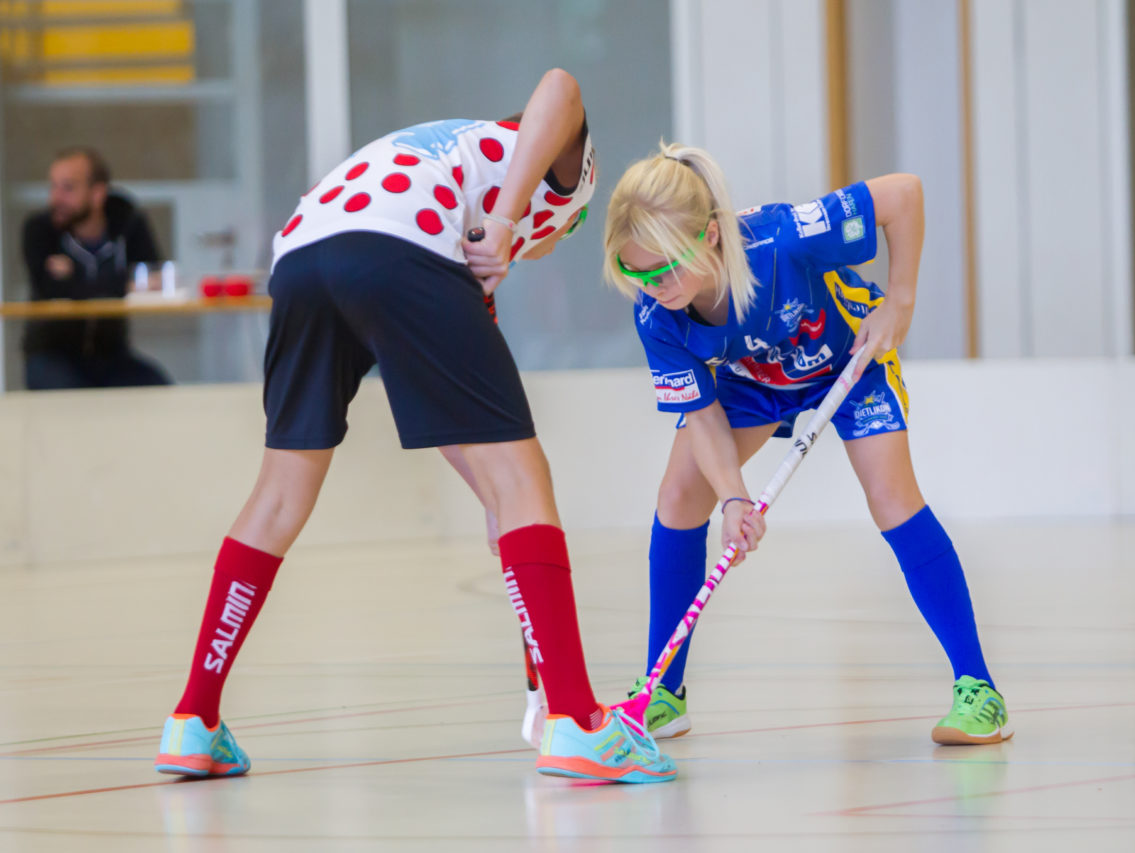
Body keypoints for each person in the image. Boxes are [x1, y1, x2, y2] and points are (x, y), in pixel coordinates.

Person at [153, 70, 675, 784]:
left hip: (306, 255)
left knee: (278, 496)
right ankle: (578, 721)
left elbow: (471, 447)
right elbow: (560, 86)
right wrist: (509, 213)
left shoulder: (454, 195)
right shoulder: (541, 177)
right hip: (397, 246)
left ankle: (192, 718)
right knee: (528, 479)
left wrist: (500, 505)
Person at [602, 142, 1012, 746]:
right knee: (681, 496)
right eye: (636, 271)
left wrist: (899, 299)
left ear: (711, 235)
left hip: (849, 358)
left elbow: (903, 195)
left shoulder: (783, 240)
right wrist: (735, 498)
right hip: (752, 381)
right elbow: (702, 415)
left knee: (891, 498)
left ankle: (979, 690)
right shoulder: (657, 315)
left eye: (665, 268)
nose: (652, 285)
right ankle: (665, 691)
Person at [21, 146, 172, 389]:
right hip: (51, 355)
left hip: (112, 354)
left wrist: (75, 278)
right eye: (53, 186)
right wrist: (124, 282)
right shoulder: (39, 229)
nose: (55, 198)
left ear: (97, 193)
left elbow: (156, 277)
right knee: (72, 404)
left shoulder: (129, 223)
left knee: (160, 391)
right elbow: (50, 289)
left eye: (68, 188)